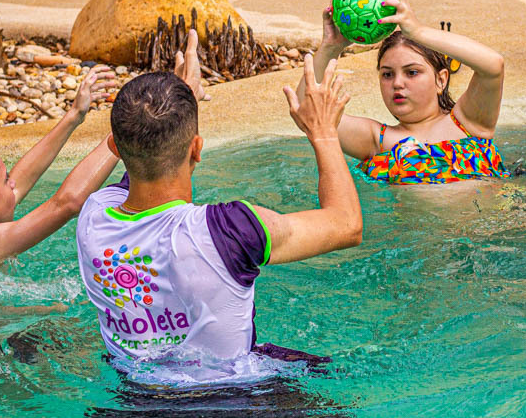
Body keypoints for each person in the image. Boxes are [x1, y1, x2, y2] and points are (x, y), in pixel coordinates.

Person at [76, 30, 362, 370]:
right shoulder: (230, 230)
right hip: (235, 404)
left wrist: (179, 100)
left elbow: (143, 164)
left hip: (131, 404)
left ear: (116, 148)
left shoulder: (93, 217)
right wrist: (325, 132)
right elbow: (346, 225)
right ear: (197, 148)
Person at [303, 0, 509, 185]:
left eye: (412, 72)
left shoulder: (468, 122)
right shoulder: (377, 140)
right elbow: (308, 112)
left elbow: (493, 66)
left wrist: (418, 31)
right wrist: (330, 47)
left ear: (441, 79)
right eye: (387, 74)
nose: (397, 83)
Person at [0, 66, 117, 279]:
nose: (13, 183)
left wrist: (74, 115)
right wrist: (123, 135)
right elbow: (66, 203)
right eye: (6, 181)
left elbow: (19, 182)